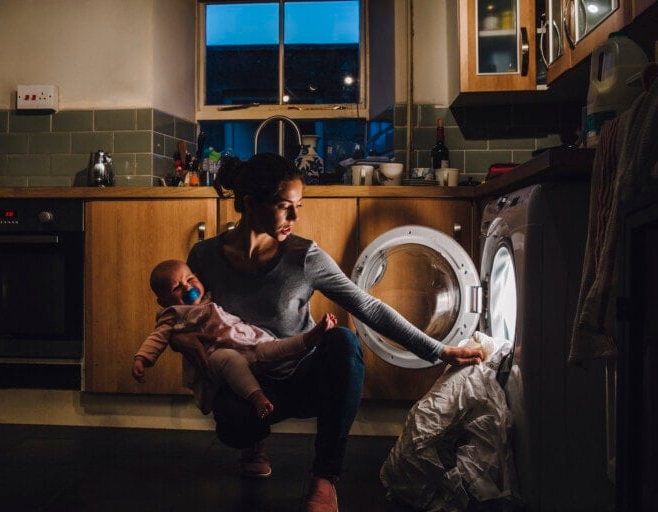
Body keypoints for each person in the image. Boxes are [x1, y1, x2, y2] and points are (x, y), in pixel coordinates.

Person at [171, 153, 485, 512]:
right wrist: (177, 337)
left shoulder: (304, 257)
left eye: (298, 206)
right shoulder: (204, 256)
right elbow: (181, 313)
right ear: (248, 204)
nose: (295, 217)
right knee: (232, 426)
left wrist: (439, 351)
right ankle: (252, 441)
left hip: (304, 378)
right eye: (283, 206)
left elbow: (367, 306)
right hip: (248, 384)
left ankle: (324, 480)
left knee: (343, 342)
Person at [132, 259, 338, 418]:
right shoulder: (172, 313)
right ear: (163, 301)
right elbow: (158, 337)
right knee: (230, 360)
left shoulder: (209, 297)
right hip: (216, 354)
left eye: (190, 279)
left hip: (245, 340)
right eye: (177, 288)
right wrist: (142, 358)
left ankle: (308, 340)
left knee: (271, 347)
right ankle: (256, 396)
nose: (187, 288)